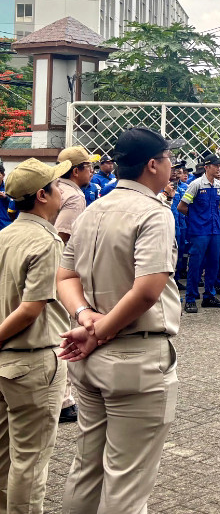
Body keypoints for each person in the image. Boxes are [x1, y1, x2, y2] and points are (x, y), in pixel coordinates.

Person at [56, 126, 182, 514]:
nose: (172, 166)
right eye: (168, 158)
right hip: (133, 358)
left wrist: (85, 317)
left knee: (87, 468)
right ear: (152, 164)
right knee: (127, 482)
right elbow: (147, 291)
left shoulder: (94, 208)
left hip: (90, 358)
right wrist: (101, 330)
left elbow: (65, 276)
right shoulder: (153, 213)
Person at [0, 158, 69, 513]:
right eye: (57, 187)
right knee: (31, 461)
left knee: (4, 458)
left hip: (4, 363)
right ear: (42, 195)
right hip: (32, 362)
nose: (61, 192)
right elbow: (31, 308)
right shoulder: (46, 240)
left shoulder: (5, 234)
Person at [54, 146, 95, 424]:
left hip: (47, 269)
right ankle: (64, 401)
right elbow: (63, 238)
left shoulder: (54, 188)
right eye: (88, 167)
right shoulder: (75, 196)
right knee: (65, 332)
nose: (91, 171)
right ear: (76, 170)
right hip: (61, 271)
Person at [178, 153, 220, 312]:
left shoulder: (219, 185)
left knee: (214, 263)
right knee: (195, 265)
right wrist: (196, 219)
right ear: (206, 167)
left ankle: (209, 295)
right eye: (215, 165)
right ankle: (190, 298)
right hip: (199, 231)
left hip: (215, 230)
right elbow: (182, 206)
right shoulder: (196, 184)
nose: (219, 168)